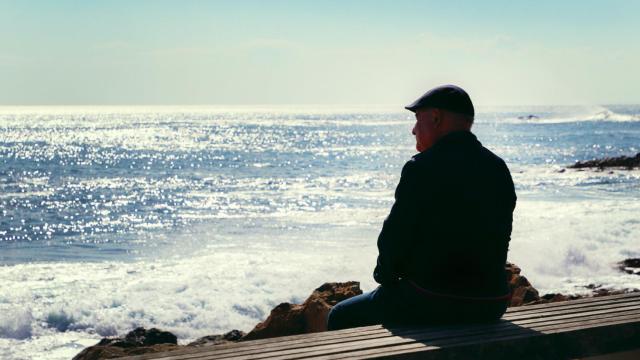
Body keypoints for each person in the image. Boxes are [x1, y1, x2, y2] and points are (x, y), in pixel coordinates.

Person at [327, 85, 517, 330]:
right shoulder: (497, 168)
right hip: (492, 303)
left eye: (418, 119)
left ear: (436, 118)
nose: (413, 129)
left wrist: (385, 278)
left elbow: (394, 237)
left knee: (340, 315)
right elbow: (501, 237)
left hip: (432, 301)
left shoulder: (421, 168)